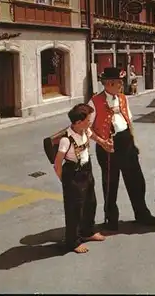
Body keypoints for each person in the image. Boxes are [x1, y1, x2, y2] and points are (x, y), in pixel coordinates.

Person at [88, 67, 155, 231]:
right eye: (119, 82)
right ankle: (111, 219)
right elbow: (86, 128)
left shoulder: (123, 98)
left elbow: (129, 121)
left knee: (136, 180)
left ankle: (142, 214)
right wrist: (101, 142)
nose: (121, 85)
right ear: (109, 83)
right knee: (110, 183)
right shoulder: (94, 102)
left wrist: (134, 142)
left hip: (126, 142)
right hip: (108, 146)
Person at [53, 103, 111, 253]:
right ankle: (73, 241)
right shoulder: (66, 139)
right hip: (73, 173)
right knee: (74, 209)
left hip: (86, 169)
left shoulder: (85, 130)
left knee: (90, 202)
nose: (90, 121)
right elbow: (57, 163)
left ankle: (88, 232)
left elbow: (93, 136)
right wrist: (65, 181)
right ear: (78, 122)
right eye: (88, 119)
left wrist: (104, 143)